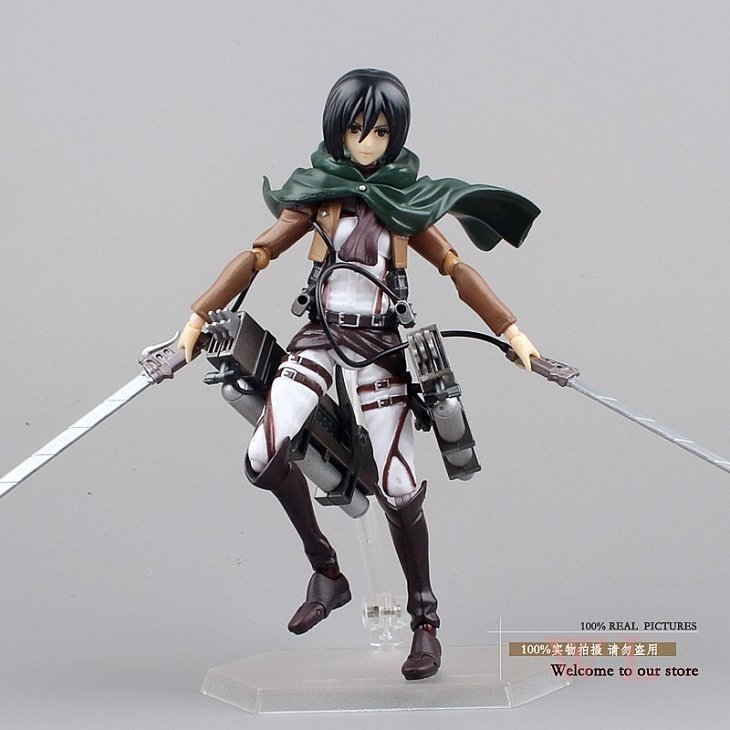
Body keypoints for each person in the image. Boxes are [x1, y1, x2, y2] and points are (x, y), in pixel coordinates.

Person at [177, 68, 540, 680]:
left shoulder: (406, 202)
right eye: (356, 129)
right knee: (261, 455)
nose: (367, 142)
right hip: (319, 337)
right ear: (337, 130)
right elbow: (258, 254)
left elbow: (455, 268)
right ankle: (327, 571)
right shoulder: (320, 196)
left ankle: (424, 620)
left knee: (399, 486)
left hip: (378, 345)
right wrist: (196, 319)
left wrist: (513, 332)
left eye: (379, 131)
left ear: (395, 135)